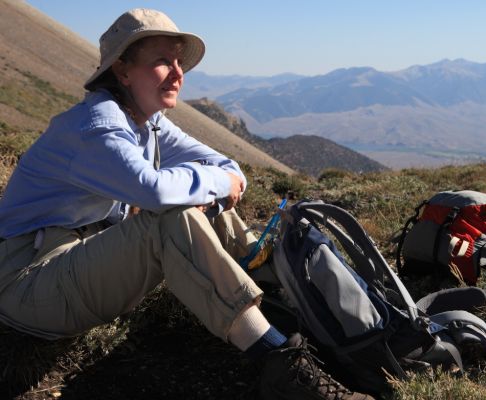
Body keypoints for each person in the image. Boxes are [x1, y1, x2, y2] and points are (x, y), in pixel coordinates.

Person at [0, 8, 374, 400]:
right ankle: (279, 361)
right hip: (27, 284)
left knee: (197, 204)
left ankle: (292, 294)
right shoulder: (96, 127)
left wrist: (219, 183)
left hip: (73, 260)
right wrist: (217, 183)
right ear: (123, 71)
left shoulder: (146, 122)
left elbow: (227, 167)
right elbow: (157, 191)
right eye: (162, 62)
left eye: (179, 62)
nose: (178, 74)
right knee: (172, 217)